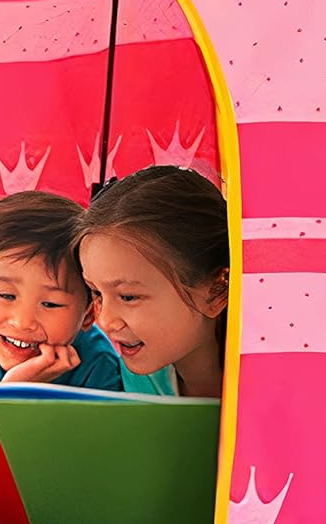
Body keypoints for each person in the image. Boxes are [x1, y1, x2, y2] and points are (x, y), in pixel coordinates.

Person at [0, 189, 123, 392]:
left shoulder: (99, 369)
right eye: (6, 295)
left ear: (88, 314)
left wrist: (17, 393)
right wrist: (10, 390)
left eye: (50, 304)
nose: (23, 322)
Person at [76, 165, 230, 399]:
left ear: (217, 291)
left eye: (128, 296)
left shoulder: (276, 384)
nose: (105, 322)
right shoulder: (141, 378)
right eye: (96, 293)